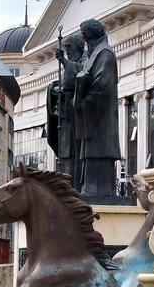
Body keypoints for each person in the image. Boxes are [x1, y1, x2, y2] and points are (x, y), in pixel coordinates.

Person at [75, 19, 121, 197]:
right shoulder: (95, 53)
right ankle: (91, 190)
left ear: (88, 36)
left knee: (98, 156)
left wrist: (81, 102)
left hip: (100, 119)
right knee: (91, 156)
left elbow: (102, 88)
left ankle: (99, 192)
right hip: (93, 121)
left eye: (84, 36)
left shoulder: (105, 54)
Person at [46, 34, 87, 187]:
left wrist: (64, 62)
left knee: (75, 156)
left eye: (69, 48)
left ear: (79, 47)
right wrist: (55, 88)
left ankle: (74, 187)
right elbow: (66, 82)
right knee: (65, 155)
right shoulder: (71, 64)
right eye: (66, 48)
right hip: (66, 120)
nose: (67, 51)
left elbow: (81, 77)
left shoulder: (85, 60)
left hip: (77, 120)